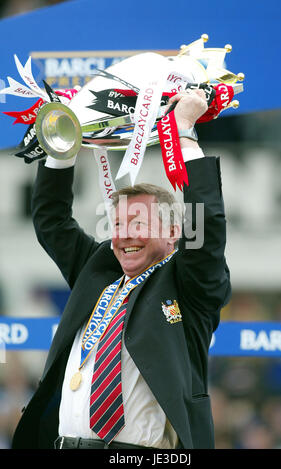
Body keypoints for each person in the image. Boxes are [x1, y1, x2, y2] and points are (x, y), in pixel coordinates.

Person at [12, 88, 231, 449]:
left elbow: (206, 229)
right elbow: (51, 220)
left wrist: (185, 131)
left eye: (139, 223)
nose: (124, 235)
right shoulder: (99, 270)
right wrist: (62, 144)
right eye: (117, 224)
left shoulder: (189, 286)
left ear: (174, 232)